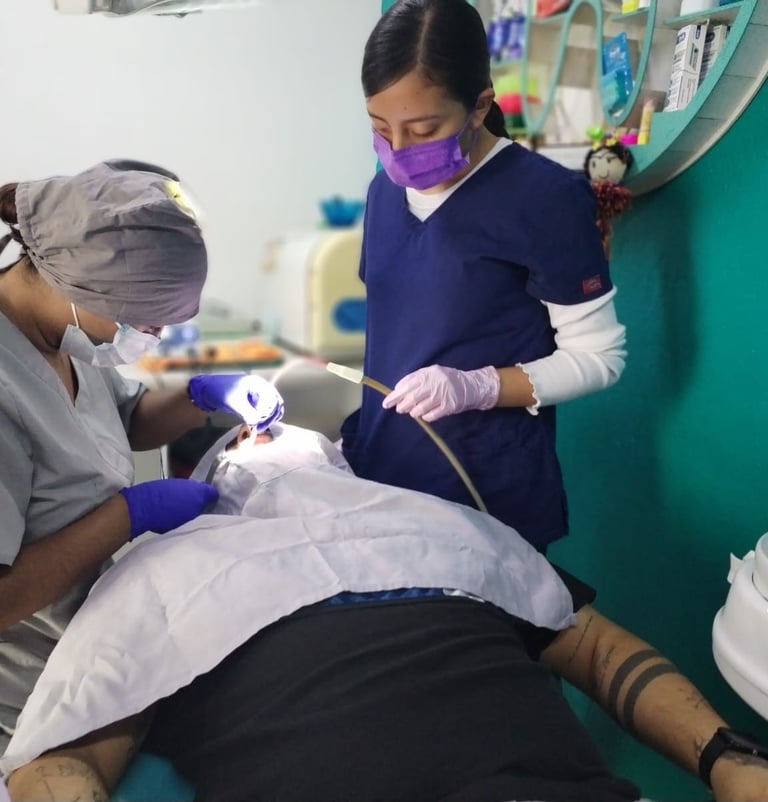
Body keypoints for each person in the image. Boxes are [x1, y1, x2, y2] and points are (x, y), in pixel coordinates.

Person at [3, 423, 768, 802]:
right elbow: (61, 760)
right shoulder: (159, 571)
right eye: (244, 435)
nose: (265, 444)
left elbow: (598, 652)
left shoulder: (433, 522)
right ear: (204, 467)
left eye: (279, 430)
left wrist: (730, 763)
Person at [0, 159, 284, 758]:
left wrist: (206, 395)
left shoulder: (64, 336)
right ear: (87, 288)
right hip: (30, 703)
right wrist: (130, 514)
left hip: (102, 644)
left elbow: (123, 421)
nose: (152, 335)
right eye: (148, 318)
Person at [339, 0, 627, 553]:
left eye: (423, 129)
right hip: (382, 476)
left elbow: (601, 359)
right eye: (380, 127)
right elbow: (400, 336)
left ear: (479, 106)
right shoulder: (383, 193)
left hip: (484, 496)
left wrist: (479, 386)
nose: (397, 152)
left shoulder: (544, 199)